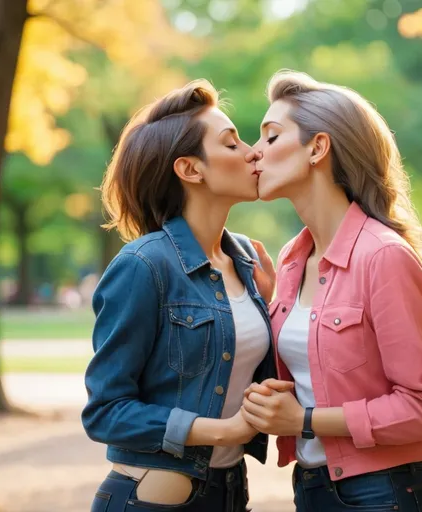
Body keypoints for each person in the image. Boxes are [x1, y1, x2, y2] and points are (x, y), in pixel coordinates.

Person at [243, 70, 422, 512]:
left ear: (318, 148)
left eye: (270, 136)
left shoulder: (383, 256)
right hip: (314, 489)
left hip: (387, 494)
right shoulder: (290, 260)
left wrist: (304, 421)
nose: (253, 153)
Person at [82, 79, 276, 512]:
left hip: (228, 493)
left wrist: (271, 306)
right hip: (150, 499)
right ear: (191, 169)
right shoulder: (144, 264)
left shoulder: (244, 259)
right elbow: (105, 411)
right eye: (232, 144)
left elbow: (248, 370)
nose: (252, 152)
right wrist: (221, 430)